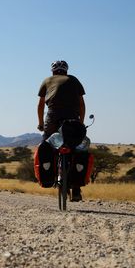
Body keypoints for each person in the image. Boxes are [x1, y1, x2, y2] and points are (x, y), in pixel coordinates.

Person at [37, 60, 86, 201]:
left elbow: (41, 105)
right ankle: (76, 188)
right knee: (76, 146)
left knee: (47, 144)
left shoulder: (47, 80)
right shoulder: (74, 80)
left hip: (52, 117)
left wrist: (40, 123)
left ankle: (49, 176)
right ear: (66, 71)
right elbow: (82, 105)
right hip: (72, 118)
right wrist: (80, 124)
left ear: (52, 71)